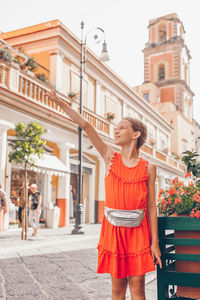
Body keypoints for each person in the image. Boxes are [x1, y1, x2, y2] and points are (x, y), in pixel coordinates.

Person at [47, 88, 162, 300]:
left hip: (138, 231)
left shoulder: (148, 168)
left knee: (138, 288)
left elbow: (151, 206)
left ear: (136, 134)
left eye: (122, 128)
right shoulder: (110, 157)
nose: (116, 131)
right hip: (114, 231)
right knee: (117, 290)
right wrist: (60, 102)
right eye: (115, 128)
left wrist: (154, 243)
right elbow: (86, 125)